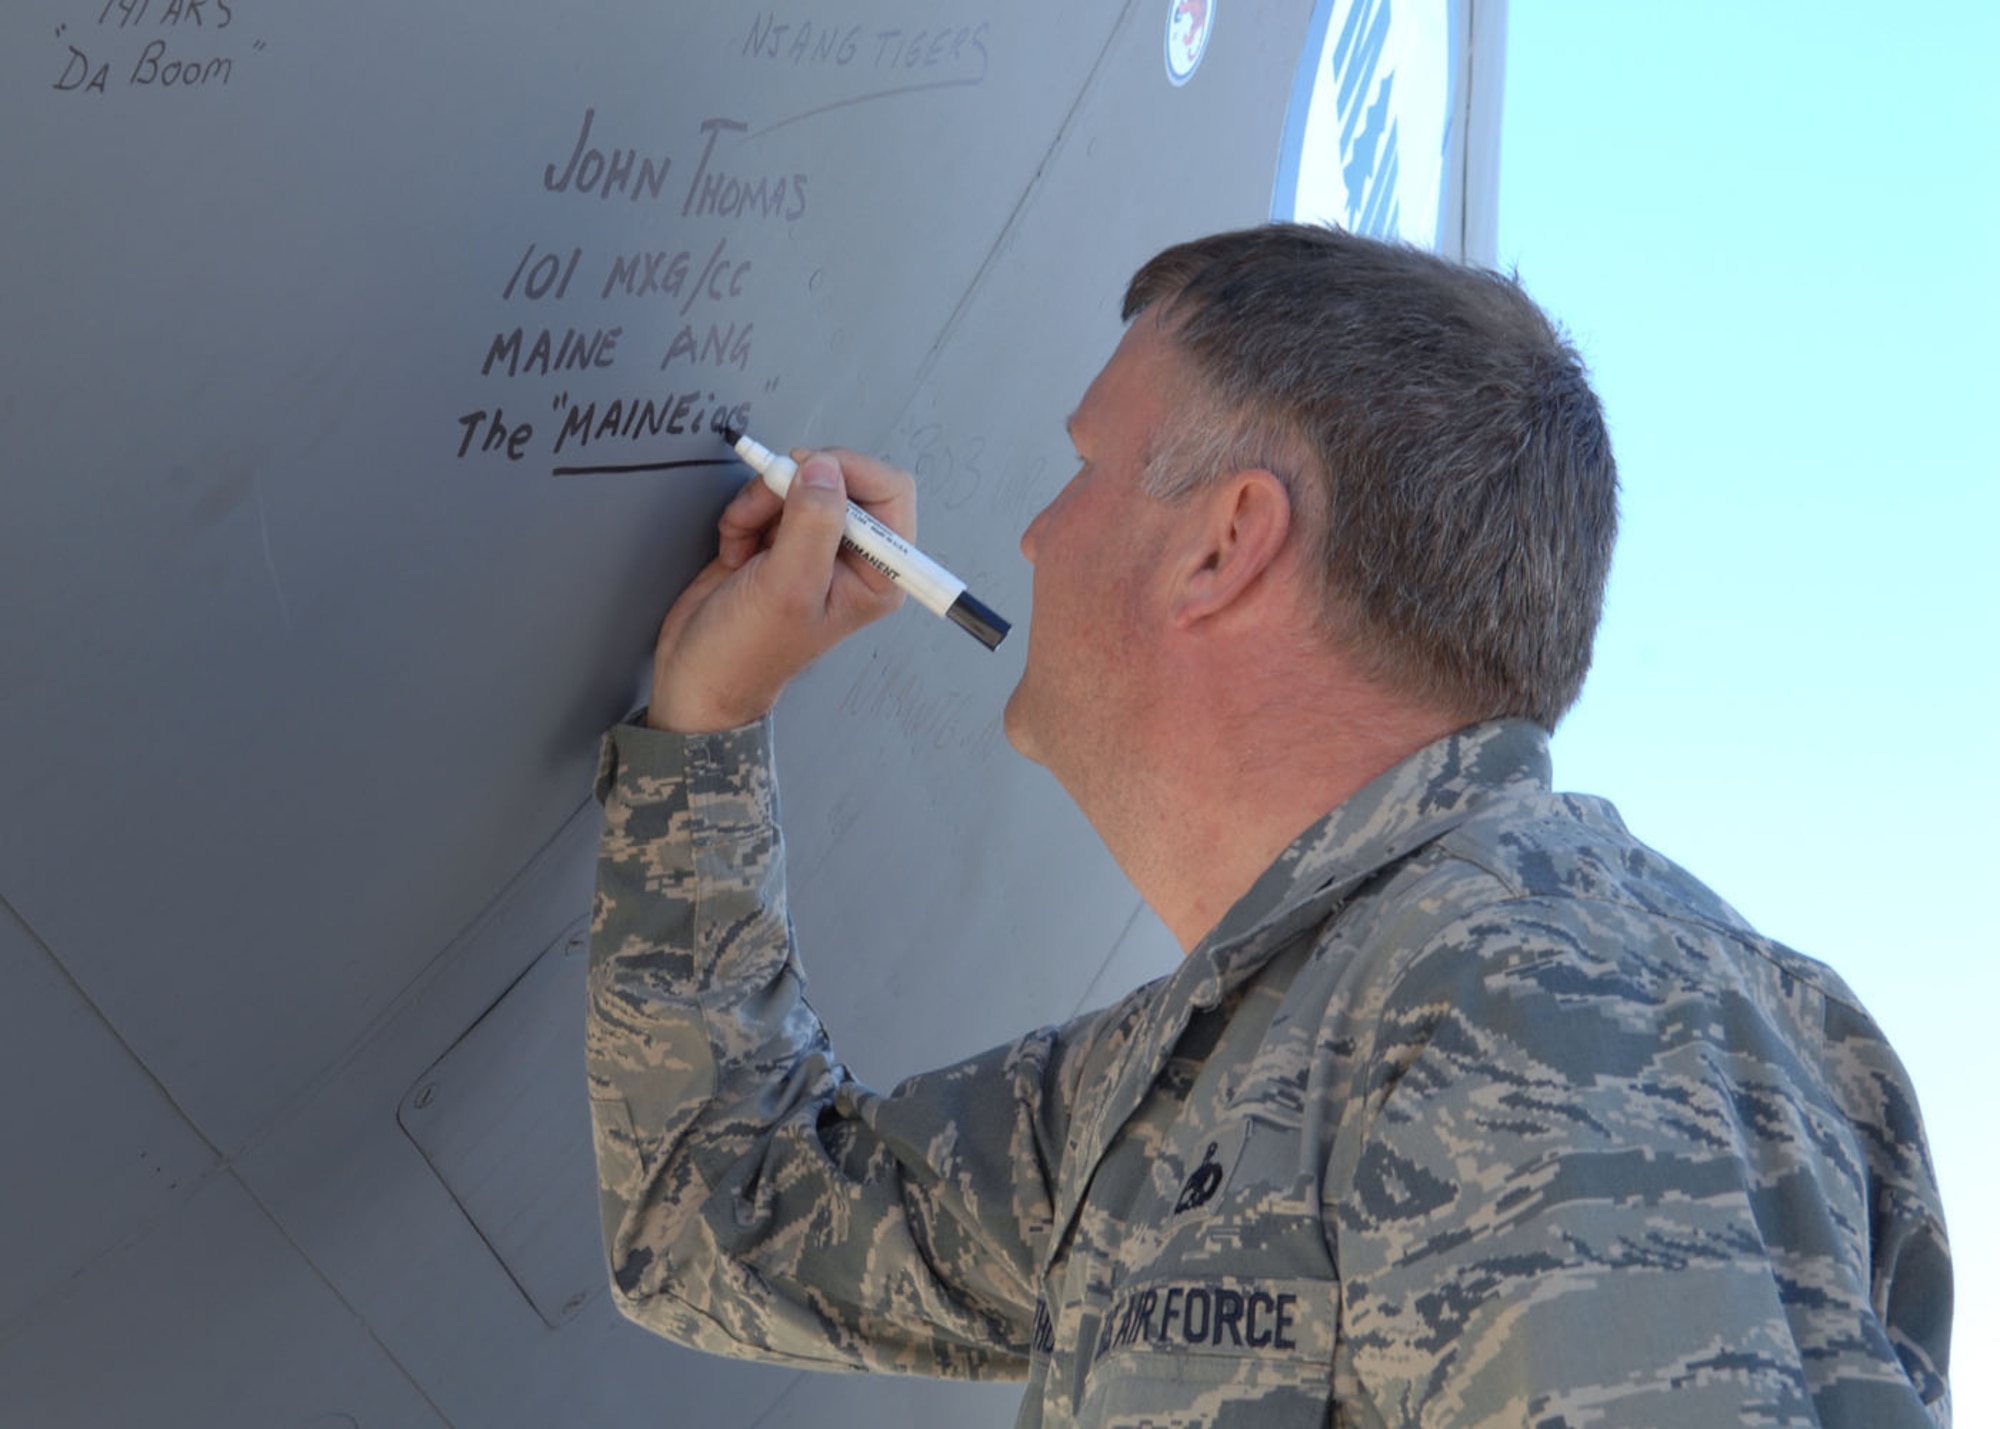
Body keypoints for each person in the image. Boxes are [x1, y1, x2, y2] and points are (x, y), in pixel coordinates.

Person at [585, 224, 1952, 1427]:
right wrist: (706, 722)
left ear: (1226, 541)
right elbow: (725, 1214)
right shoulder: (1211, 1067)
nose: (1037, 537)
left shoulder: (1556, 997)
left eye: (1086, 467)